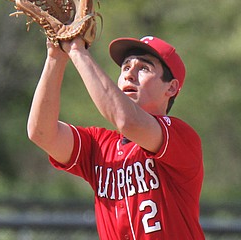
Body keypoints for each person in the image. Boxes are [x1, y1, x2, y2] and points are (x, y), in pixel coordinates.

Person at [27, 35, 205, 239]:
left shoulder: (181, 137)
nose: (129, 75)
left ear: (171, 88)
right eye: (126, 67)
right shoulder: (99, 146)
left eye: (144, 68)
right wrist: (55, 57)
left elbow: (127, 121)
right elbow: (41, 132)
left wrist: (77, 51)